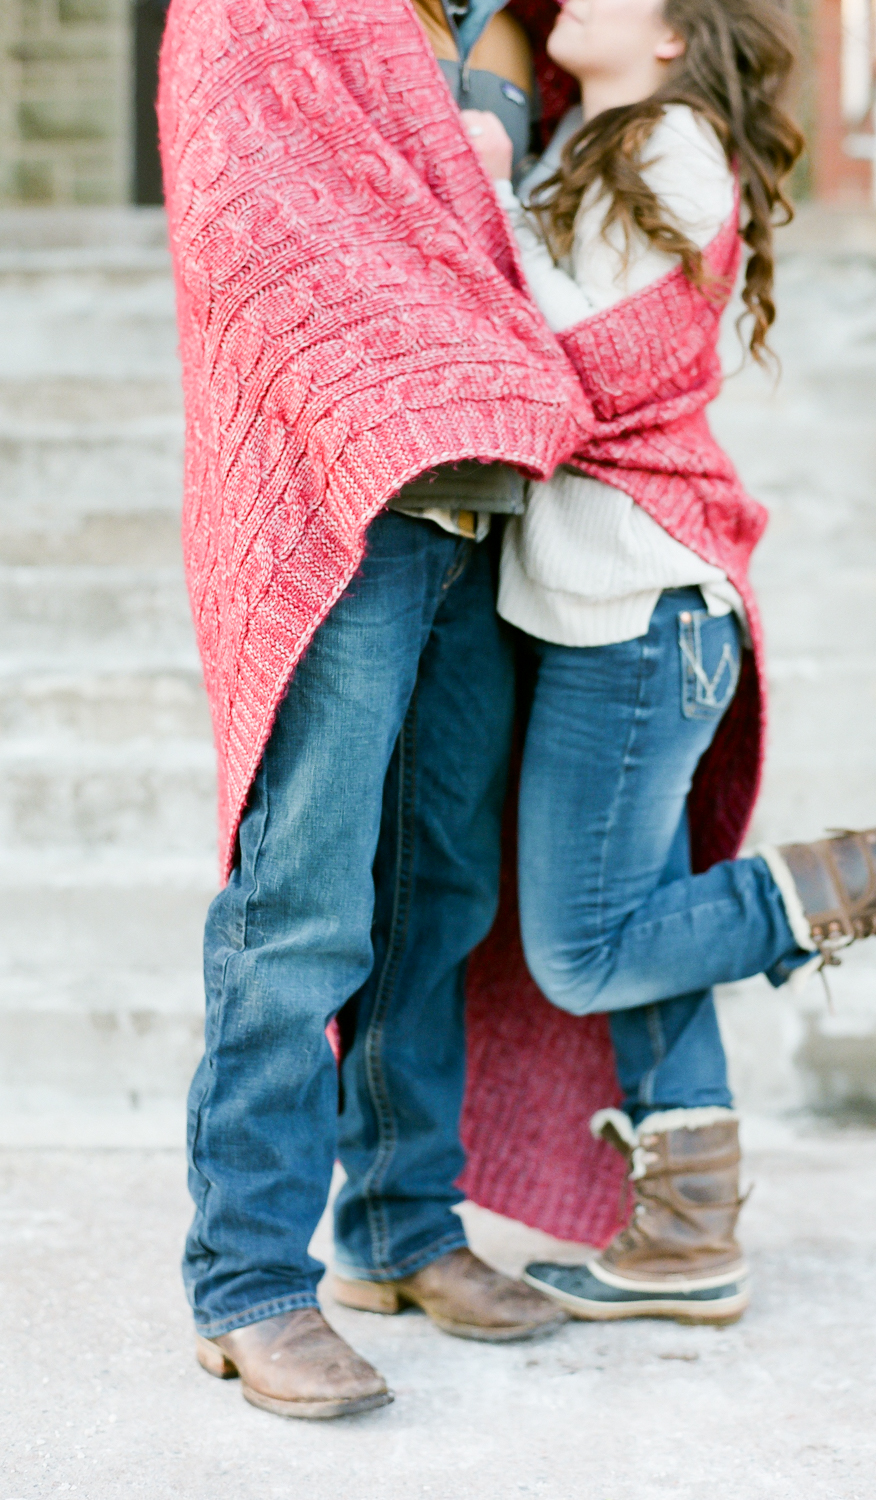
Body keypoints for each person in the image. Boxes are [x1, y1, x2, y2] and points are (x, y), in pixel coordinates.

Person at [460, 0, 876, 1325]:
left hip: (643, 615)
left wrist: (478, 210)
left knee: (588, 953)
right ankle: (688, 1231)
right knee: (645, 927)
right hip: (610, 604)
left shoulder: (676, 146)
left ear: (672, 38)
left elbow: (586, 362)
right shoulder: (601, 144)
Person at [159, 0, 598, 1421]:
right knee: (302, 904)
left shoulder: (470, 31)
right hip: (342, 502)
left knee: (442, 888)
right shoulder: (253, 12)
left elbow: (492, 226)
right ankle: (249, 1283)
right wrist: (434, 364)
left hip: (480, 505)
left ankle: (402, 1232)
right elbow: (251, 231)